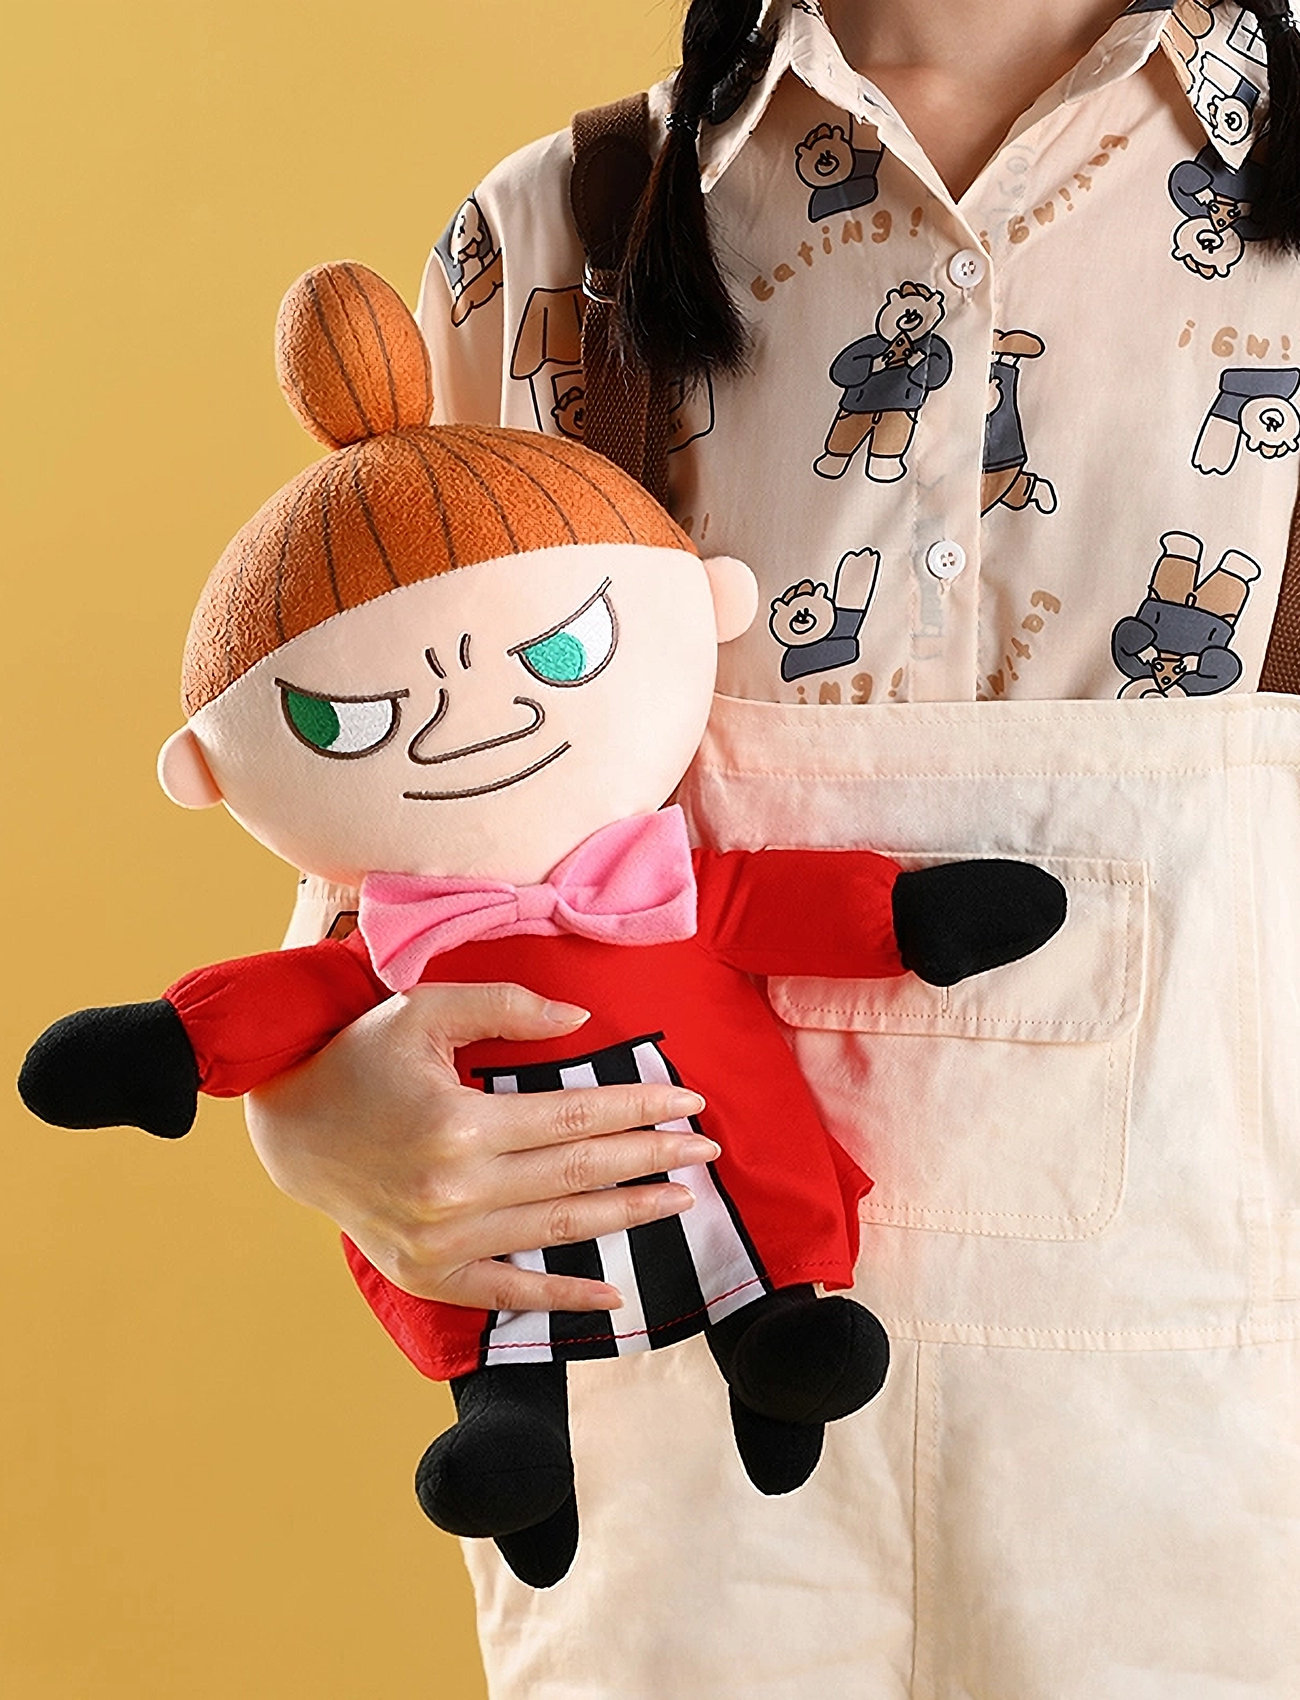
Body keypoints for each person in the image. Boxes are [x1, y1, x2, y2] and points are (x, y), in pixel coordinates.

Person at [247, 1, 1300, 1694]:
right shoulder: (559, 240)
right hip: (668, 1462)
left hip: (1235, 1458)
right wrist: (317, 1110)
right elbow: (388, 835)